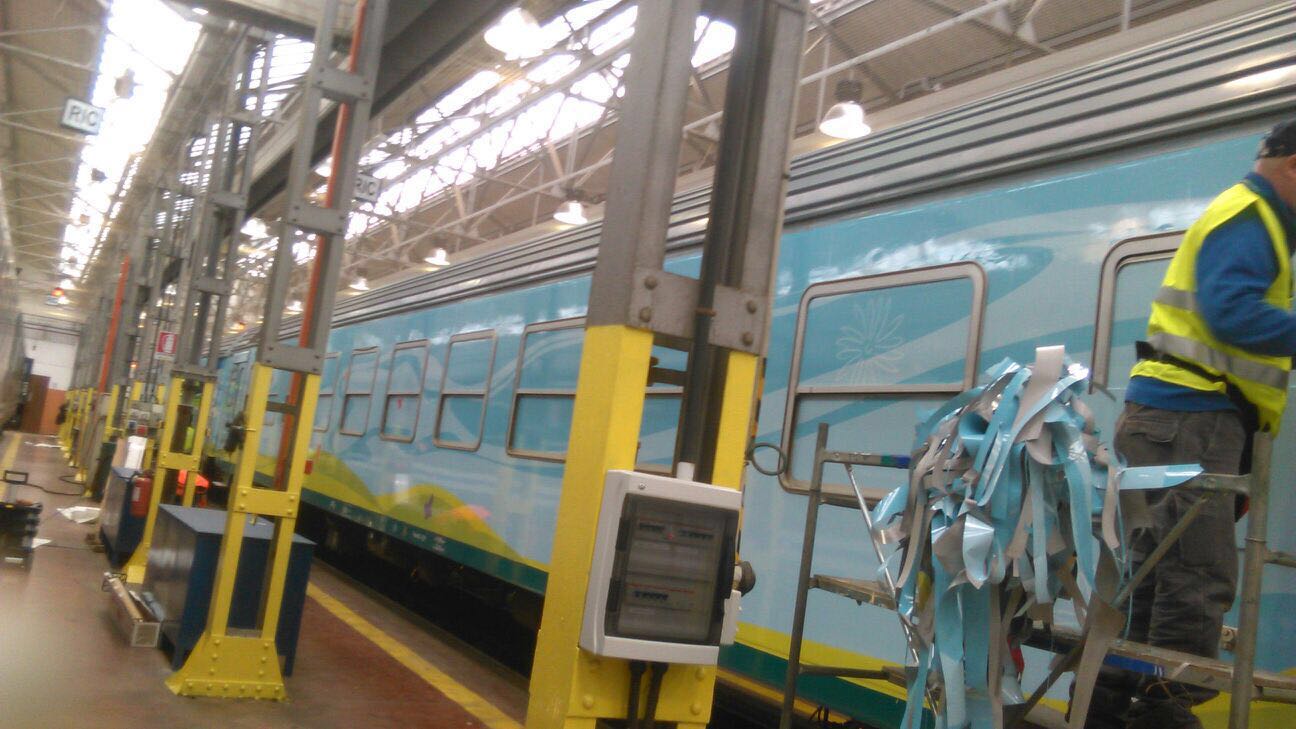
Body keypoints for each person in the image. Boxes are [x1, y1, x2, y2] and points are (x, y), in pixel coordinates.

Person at [1083, 120, 1296, 729]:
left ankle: (1107, 700)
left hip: (1173, 416)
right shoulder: (1252, 217)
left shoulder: (1247, 214)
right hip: (1191, 416)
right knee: (1195, 571)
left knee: (1150, 570)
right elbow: (1233, 314)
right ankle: (1164, 707)